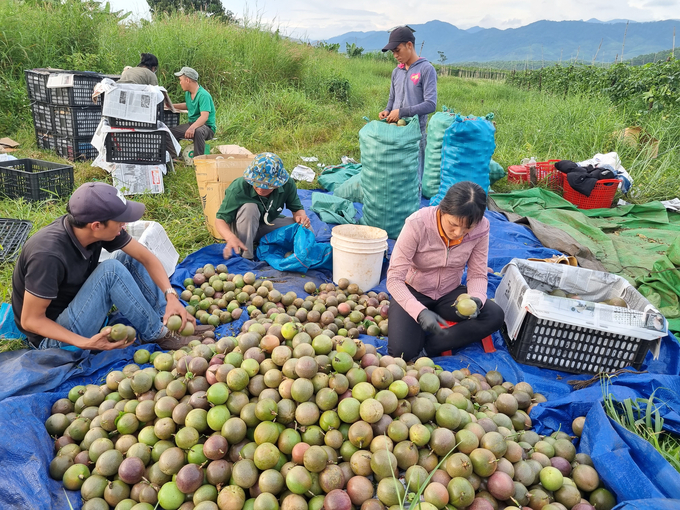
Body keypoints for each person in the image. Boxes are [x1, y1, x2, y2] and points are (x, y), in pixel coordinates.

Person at [11, 182, 202, 351]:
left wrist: (171, 296)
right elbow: (31, 321)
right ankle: (158, 334)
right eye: (120, 221)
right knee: (111, 271)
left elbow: (145, 257)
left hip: (76, 306)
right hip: (53, 339)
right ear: (96, 226)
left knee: (128, 258)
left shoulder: (91, 227)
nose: (124, 225)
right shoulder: (47, 255)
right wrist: (85, 343)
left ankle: (169, 321)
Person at [386, 181, 504, 360]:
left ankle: (432, 347)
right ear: (442, 209)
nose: (458, 233)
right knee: (402, 353)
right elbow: (394, 279)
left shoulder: (482, 228)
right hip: (414, 290)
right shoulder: (417, 224)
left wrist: (476, 300)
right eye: (453, 224)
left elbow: (477, 273)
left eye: (467, 228)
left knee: (494, 315)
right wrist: (420, 312)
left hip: (450, 294)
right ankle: (421, 336)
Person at [215, 152, 311, 260]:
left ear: (278, 183)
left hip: (267, 224)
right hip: (242, 228)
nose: (261, 189)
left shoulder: (287, 184)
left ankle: (299, 256)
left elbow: (297, 209)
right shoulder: (239, 187)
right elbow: (220, 220)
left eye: (267, 186)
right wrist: (230, 237)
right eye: (257, 184)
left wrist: (300, 217)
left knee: (305, 229)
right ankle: (247, 256)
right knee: (250, 208)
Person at [379, 26, 437, 185]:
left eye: (398, 50)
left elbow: (431, 104)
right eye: (393, 52)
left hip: (415, 136)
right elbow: (392, 98)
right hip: (395, 133)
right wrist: (387, 110)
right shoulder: (396, 72)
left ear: (409, 45)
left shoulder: (426, 69)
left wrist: (403, 112)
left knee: (413, 180)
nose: (395, 55)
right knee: (396, 180)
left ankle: (414, 209)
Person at [168, 66, 216, 160]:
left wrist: (192, 128)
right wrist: (171, 105)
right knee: (169, 132)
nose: (180, 82)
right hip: (193, 124)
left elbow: (204, 117)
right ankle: (175, 157)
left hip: (206, 127)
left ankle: (197, 160)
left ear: (188, 80)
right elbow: (188, 105)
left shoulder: (203, 95)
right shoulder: (188, 93)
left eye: (180, 80)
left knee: (198, 131)